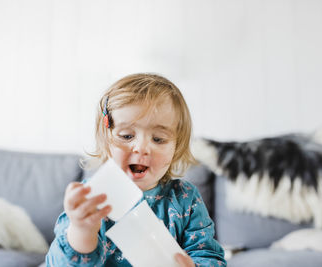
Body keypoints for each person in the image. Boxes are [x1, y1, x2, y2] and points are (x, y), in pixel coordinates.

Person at [46, 73, 226, 267]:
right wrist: (82, 231)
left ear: (176, 147)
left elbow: (208, 256)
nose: (141, 147)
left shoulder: (185, 198)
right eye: (126, 136)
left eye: (158, 139)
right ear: (107, 140)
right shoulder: (90, 200)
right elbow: (58, 263)